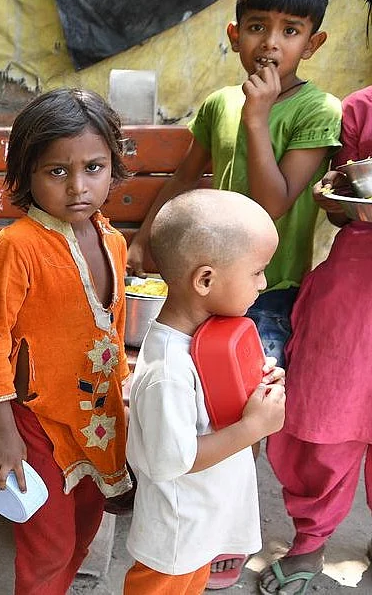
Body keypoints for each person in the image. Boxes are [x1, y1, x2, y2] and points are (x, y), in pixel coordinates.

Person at [126, 0, 340, 365]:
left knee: (248, 390)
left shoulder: (318, 111)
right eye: (258, 27)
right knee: (191, 386)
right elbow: (184, 178)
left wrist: (257, 119)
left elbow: (271, 204)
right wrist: (143, 239)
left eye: (291, 31)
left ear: (313, 43)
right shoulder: (220, 102)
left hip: (267, 289)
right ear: (235, 35)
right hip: (203, 283)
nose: (271, 44)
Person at [0, 88, 133, 595]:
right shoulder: (17, 246)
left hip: (97, 416)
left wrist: (123, 389)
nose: (78, 186)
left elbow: (115, 327)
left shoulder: (114, 240)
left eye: (93, 167)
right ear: (26, 175)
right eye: (57, 171)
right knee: (49, 544)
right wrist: (3, 431)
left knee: (85, 527)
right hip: (35, 422)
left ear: (113, 167)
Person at [262, 0, 372, 591]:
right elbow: (336, 204)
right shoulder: (359, 110)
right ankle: (310, 544)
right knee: (326, 419)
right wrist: (343, 202)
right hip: (356, 288)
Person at [125, 189, 287, 595]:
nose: (264, 283)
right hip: (178, 534)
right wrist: (254, 428)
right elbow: (171, 461)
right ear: (205, 280)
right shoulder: (168, 370)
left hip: (202, 526)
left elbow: (217, 406)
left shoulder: (208, 338)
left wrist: (256, 387)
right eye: (257, 272)